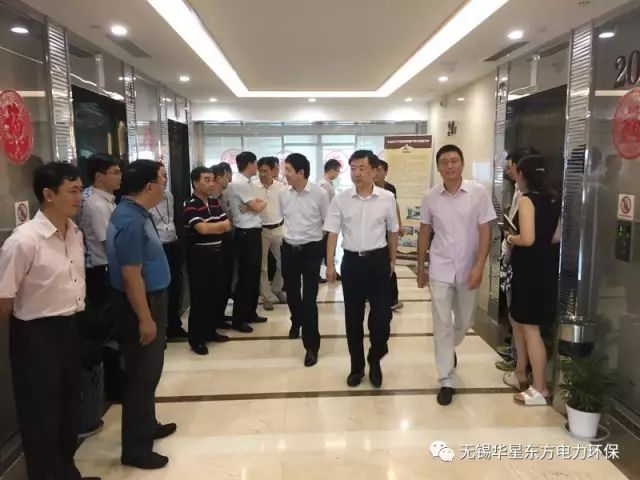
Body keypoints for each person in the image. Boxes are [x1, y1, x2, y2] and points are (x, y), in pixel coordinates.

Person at [0, 162, 100, 480]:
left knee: (69, 409)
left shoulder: (74, 232)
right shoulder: (24, 241)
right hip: (35, 335)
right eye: (73, 191)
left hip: (69, 327)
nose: (79, 197)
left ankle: (66, 471)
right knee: (41, 414)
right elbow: (4, 297)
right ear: (48, 194)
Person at [107, 160, 176, 469]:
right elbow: (130, 273)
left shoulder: (135, 213)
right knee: (141, 376)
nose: (164, 185)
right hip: (140, 303)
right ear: (149, 186)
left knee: (150, 372)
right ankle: (136, 450)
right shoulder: (130, 221)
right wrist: (145, 318)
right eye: (162, 179)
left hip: (151, 299)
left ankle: (147, 425)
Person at [416, 144, 495, 406]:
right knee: (441, 324)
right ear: (438, 167)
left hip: (468, 268)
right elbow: (424, 231)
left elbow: (485, 230)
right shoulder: (430, 196)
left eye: (454, 161)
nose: (450, 166)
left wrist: (480, 266)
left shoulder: (478, 193)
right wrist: (421, 266)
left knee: (464, 321)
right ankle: (446, 379)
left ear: (462, 163)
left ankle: (450, 348)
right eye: (444, 162)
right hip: (439, 266)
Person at [324, 150, 399, 388]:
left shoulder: (387, 197)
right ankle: (356, 367)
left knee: (381, 319)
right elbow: (332, 232)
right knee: (353, 318)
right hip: (352, 263)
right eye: (353, 168)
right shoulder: (341, 199)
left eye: (362, 168)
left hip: (378, 262)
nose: (357, 173)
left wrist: (392, 260)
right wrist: (330, 264)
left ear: (374, 170)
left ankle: (375, 358)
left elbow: (393, 230)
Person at [502, 155, 561, 406]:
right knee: (519, 321)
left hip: (528, 270)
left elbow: (527, 238)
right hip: (544, 268)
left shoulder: (527, 200)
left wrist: (509, 238)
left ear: (522, 175)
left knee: (530, 328)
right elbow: (555, 237)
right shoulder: (553, 200)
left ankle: (540, 388)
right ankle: (520, 372)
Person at [280, 153, 330, 366]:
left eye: (288, 170)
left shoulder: (319, 194)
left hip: (311, 251)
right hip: (289, 249)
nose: (285, 173)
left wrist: (324, 253)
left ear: (301, 172)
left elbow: (327, 223)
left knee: (309, 300)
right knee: (292, 294)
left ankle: (311, 346)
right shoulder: (284, 193)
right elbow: (283, 217)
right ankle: (296, 320)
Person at [182, 166, 232, 355]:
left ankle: (210, 331)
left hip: (216, 253)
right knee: (200, 298)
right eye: (207, 180)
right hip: (199, 256)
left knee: (213, 295)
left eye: (212, 179)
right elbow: (202, 229)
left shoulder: (214, 202)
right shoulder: (190, 204)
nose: (212, 183)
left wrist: (215, 226)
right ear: (196, 183)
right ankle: (197, 340)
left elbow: (228, 224)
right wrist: (218, 225)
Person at [228, 151, 268, 332]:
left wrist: (254, 206)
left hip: (253, 231)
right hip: (246, 234)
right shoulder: (239, 183)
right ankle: (239, 319)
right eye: (256, 164)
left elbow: (256, 205)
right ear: (250, 164)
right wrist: (256, 205)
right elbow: (258, 206)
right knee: (246, 278)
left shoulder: (247, 182)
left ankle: (250, 312)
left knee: (253, 276)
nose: (257, 167)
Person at [79, 153, 121, 312]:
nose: (120, 177)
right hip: (102, 269)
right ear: (99, 176)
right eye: (115, 172)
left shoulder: (107, 200)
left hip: (108, 267)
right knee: (105, 315)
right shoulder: (96, 204)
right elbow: (108, 241)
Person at [150, 171, 187, 340]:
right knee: (160, 289)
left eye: (166, 175)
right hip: (158, 247)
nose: (164, 179)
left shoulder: (169, 196)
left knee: (175, 286)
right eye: (161, 176)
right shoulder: (147, 200)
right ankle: (160, 328)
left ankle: (174, 325)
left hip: (173, 244)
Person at [254, 156, 287, 310]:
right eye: (260, 171)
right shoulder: (253, 187)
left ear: (273, 171)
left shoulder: (281, 187)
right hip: (261, 230)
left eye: (265, 171)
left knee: (283, 262)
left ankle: (277, 288)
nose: (262, 174)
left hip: (279, 228)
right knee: (263, 266)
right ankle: (266, 296)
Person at [373, 158, 404, 311]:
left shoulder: (390, 189)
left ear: (385, 172)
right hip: (374, 232)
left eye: (379, 170)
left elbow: (395, 206)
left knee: (389, 262)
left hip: (388, 231)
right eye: (374, 169)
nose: (376, 173)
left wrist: (399, 224)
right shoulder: (368, 187)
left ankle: (392, 298)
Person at [318, 158, 341, 283]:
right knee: (323, 249)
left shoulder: (328, 183)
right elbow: (325, 206)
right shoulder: (324, 185)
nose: (338, 174)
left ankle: (332, 270)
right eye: (337, 171)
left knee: (327, 249)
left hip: (328, 221)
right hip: (325, 222)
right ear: (331, 170)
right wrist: (327, 224)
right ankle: (318, 274)